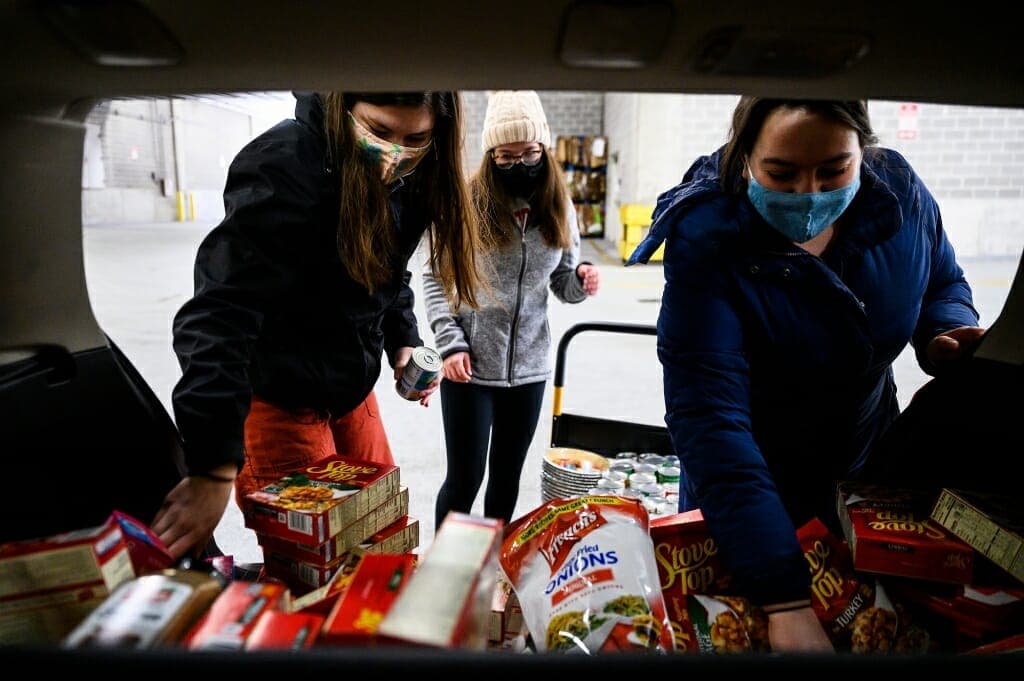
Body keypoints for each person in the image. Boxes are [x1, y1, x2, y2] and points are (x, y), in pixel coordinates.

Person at [627, 97, 985, 653]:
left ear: (862, 154)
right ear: (744, 156)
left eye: (833, 170)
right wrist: (784, 599)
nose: (809, 193)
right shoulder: (708, 240)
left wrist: (944, 336)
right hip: (745, 500)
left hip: (869, 484)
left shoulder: (899, 195)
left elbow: (942, 280)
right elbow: (712, 421)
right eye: (782, 173)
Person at [152, 91, 486, 561]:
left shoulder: (415, 174)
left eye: (416, 138)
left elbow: (387, 275)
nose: (394, 154)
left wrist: (403, 342)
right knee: (320, 567)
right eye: (378, 131)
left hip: (350, 390)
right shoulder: (283, 166)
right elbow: (220, 314)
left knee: (383, 545)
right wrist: (212, 468)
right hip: (279, 398)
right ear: (344, 108)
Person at [422, 90, 600, 530]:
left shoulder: (560, 206)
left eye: (529, 152)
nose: (519, 163)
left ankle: (491, 571)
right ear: (490, 155)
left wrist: (580, 280)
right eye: (506, 155)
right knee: (465, 479)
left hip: (529, 370)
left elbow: (561, 285)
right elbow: (433, 277)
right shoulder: (463, 204)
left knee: (506, 481)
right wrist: (450, 344)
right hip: (469, 367)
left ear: (544, 149)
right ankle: (447, 572)